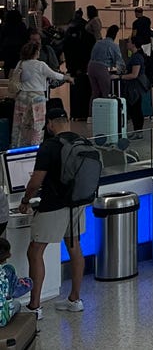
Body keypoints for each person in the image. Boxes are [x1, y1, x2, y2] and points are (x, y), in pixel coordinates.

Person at [19, 108, 87, 319]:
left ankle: (34, 306)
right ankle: (75, 299)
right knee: (74, 246)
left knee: (35, 250)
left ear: (49, 124)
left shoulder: (49, 146)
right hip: (77, 202)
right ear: (66, 121)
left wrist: (25, 200)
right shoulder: (82, 142)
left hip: (53, 205)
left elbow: (36, 180)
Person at [11, 41, 72, 147]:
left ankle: (18, 148)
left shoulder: (21, 63)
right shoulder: (40, 65)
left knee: (20, 124)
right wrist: (67, 77)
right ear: (36, 52)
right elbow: (54, 75)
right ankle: (35, 147)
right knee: (37, 125)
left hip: (22, 97)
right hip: (37, 98)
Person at [118, 39, 148, 138]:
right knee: (135, 109)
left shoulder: (136, 58)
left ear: (134, 44)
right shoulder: (135, 56)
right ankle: (137, 131)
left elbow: (134, 74)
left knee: (136, 109)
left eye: (129, 42)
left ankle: (139, 132)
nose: (127, 44)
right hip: (134, 87)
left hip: (135, 87)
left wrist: (120, 77)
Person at [86, 25, 123, 103]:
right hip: (101, 68)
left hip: (90, 67)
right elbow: (119, 61)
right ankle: (105, 113)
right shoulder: (114, 46)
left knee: (95, 93)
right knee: (105, 93)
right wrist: (121, 72)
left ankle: (92, 113)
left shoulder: (98, 42)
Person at [0, 237, 33, 324]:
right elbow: (16, 292)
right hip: (1, 317)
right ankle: (12, 326)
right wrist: (27, 281)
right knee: (17, 304)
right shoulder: (7, 271)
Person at [0, 10, 28, 79]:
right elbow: (25, 37)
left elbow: (2, 37)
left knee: (7, 65)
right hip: (19, 48)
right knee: (18, 65)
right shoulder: (21, 25)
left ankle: (7, 78)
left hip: (7, 48)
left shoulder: (5, 26)